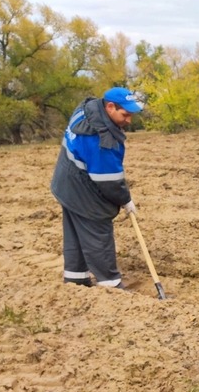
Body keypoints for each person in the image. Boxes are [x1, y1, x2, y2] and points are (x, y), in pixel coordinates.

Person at [50, 86, 143, 288]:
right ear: (110, 107)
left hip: (66, 180)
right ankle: (111, 285)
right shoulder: (103, 141)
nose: (129, 121)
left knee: (75, 233)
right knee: (97, 231)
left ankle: (76, 282)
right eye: (125, 114)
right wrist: (126, 200)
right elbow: (109, 180)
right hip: (81, 187)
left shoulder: (87, 108)